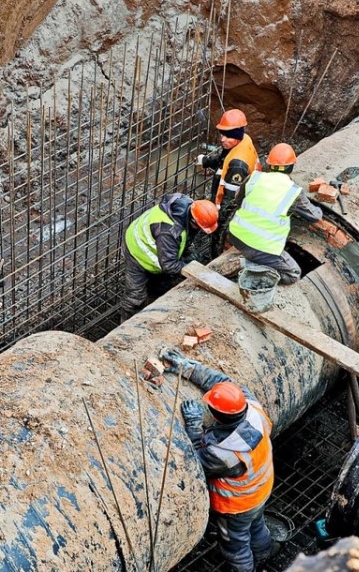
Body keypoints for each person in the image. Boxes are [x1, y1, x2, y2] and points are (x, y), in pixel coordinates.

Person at [160, 347, 275, 572]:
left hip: (237, 505)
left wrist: (193, 425)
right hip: (261, 489)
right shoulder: (253, 410)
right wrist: (187, 367)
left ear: (215, 415)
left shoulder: (227, 452)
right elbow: (223, 382)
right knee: (256, 526)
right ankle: (265, 552)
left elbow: (197, 463)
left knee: (235, 544)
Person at [228, 143, 321, 284]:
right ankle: (250, 267)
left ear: (269, 165)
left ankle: (250, 258)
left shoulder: (254, 178)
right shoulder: (293, 191)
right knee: (293, 274)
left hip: (235, 236)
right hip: (259, 248)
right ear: (291, 167)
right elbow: (314, 216)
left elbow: (238, 200)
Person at [121, 193, 219, 319]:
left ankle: (152, 304)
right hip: (137, 253)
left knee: (160, 286)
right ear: (193, 220)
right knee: (135, 298)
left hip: (156, 245)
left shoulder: (187, 206)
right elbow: (169, 265)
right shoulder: (169, 232)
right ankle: (127, 326)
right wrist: (192, 269)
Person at [196, 109, 261, 258]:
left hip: (234, 207)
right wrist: (206, 161)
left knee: (218, 238)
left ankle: (215, 257)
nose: (223, 139)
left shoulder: (238, 165)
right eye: (222, 134)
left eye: (228, 136)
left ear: (236, 135)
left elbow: (230, 200)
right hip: (244, 193)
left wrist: (219, 221)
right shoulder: (243, 140)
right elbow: (223, 158)